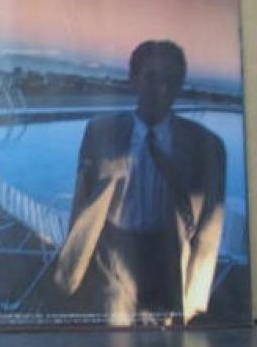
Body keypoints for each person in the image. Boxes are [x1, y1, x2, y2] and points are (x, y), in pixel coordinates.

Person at [53, 40, 226, 326]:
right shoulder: (100, 132)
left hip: (170, 258)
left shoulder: (205, 145)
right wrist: (73, 266)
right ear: (134, 79)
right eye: (152, 77)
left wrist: (194, 301)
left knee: (165, 336)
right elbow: (82, 201)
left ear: (180, 84)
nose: (161, 88)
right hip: (114, 257)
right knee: (115, 331)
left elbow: (210, 227)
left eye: (171, 80)